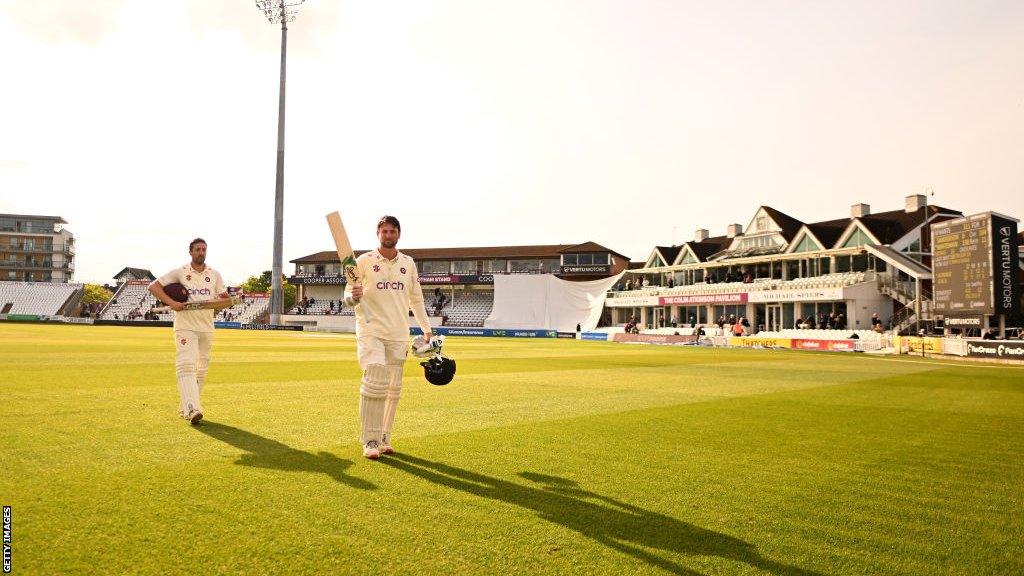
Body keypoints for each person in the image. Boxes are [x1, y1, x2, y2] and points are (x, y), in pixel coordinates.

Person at [344, 215, 432, 460]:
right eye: (384, 231)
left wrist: (426, 328)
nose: (388, 235)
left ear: (399, 234)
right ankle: (369, 441)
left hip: (398, 332)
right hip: (371, 328)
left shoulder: (408, 263)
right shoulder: (363, 261)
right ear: (378, 234)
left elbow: (416, 299)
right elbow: (348, 296)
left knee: (393, 389)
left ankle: (384, 437)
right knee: (374, 379)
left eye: (392, 231)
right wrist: (354, 295)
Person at [149, 238, 228, 425]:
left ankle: (186, 407)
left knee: (201, 370)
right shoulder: (181, 272)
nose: (201, 252)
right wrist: (173, 303)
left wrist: (224, 301)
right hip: (185, 326)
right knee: (186, 364)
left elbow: (220, 301)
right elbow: (153, 286)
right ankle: (193, 408)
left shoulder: (214, 275)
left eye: (204, 249)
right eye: (198, 249)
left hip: (207, 327)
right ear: (190, 252)